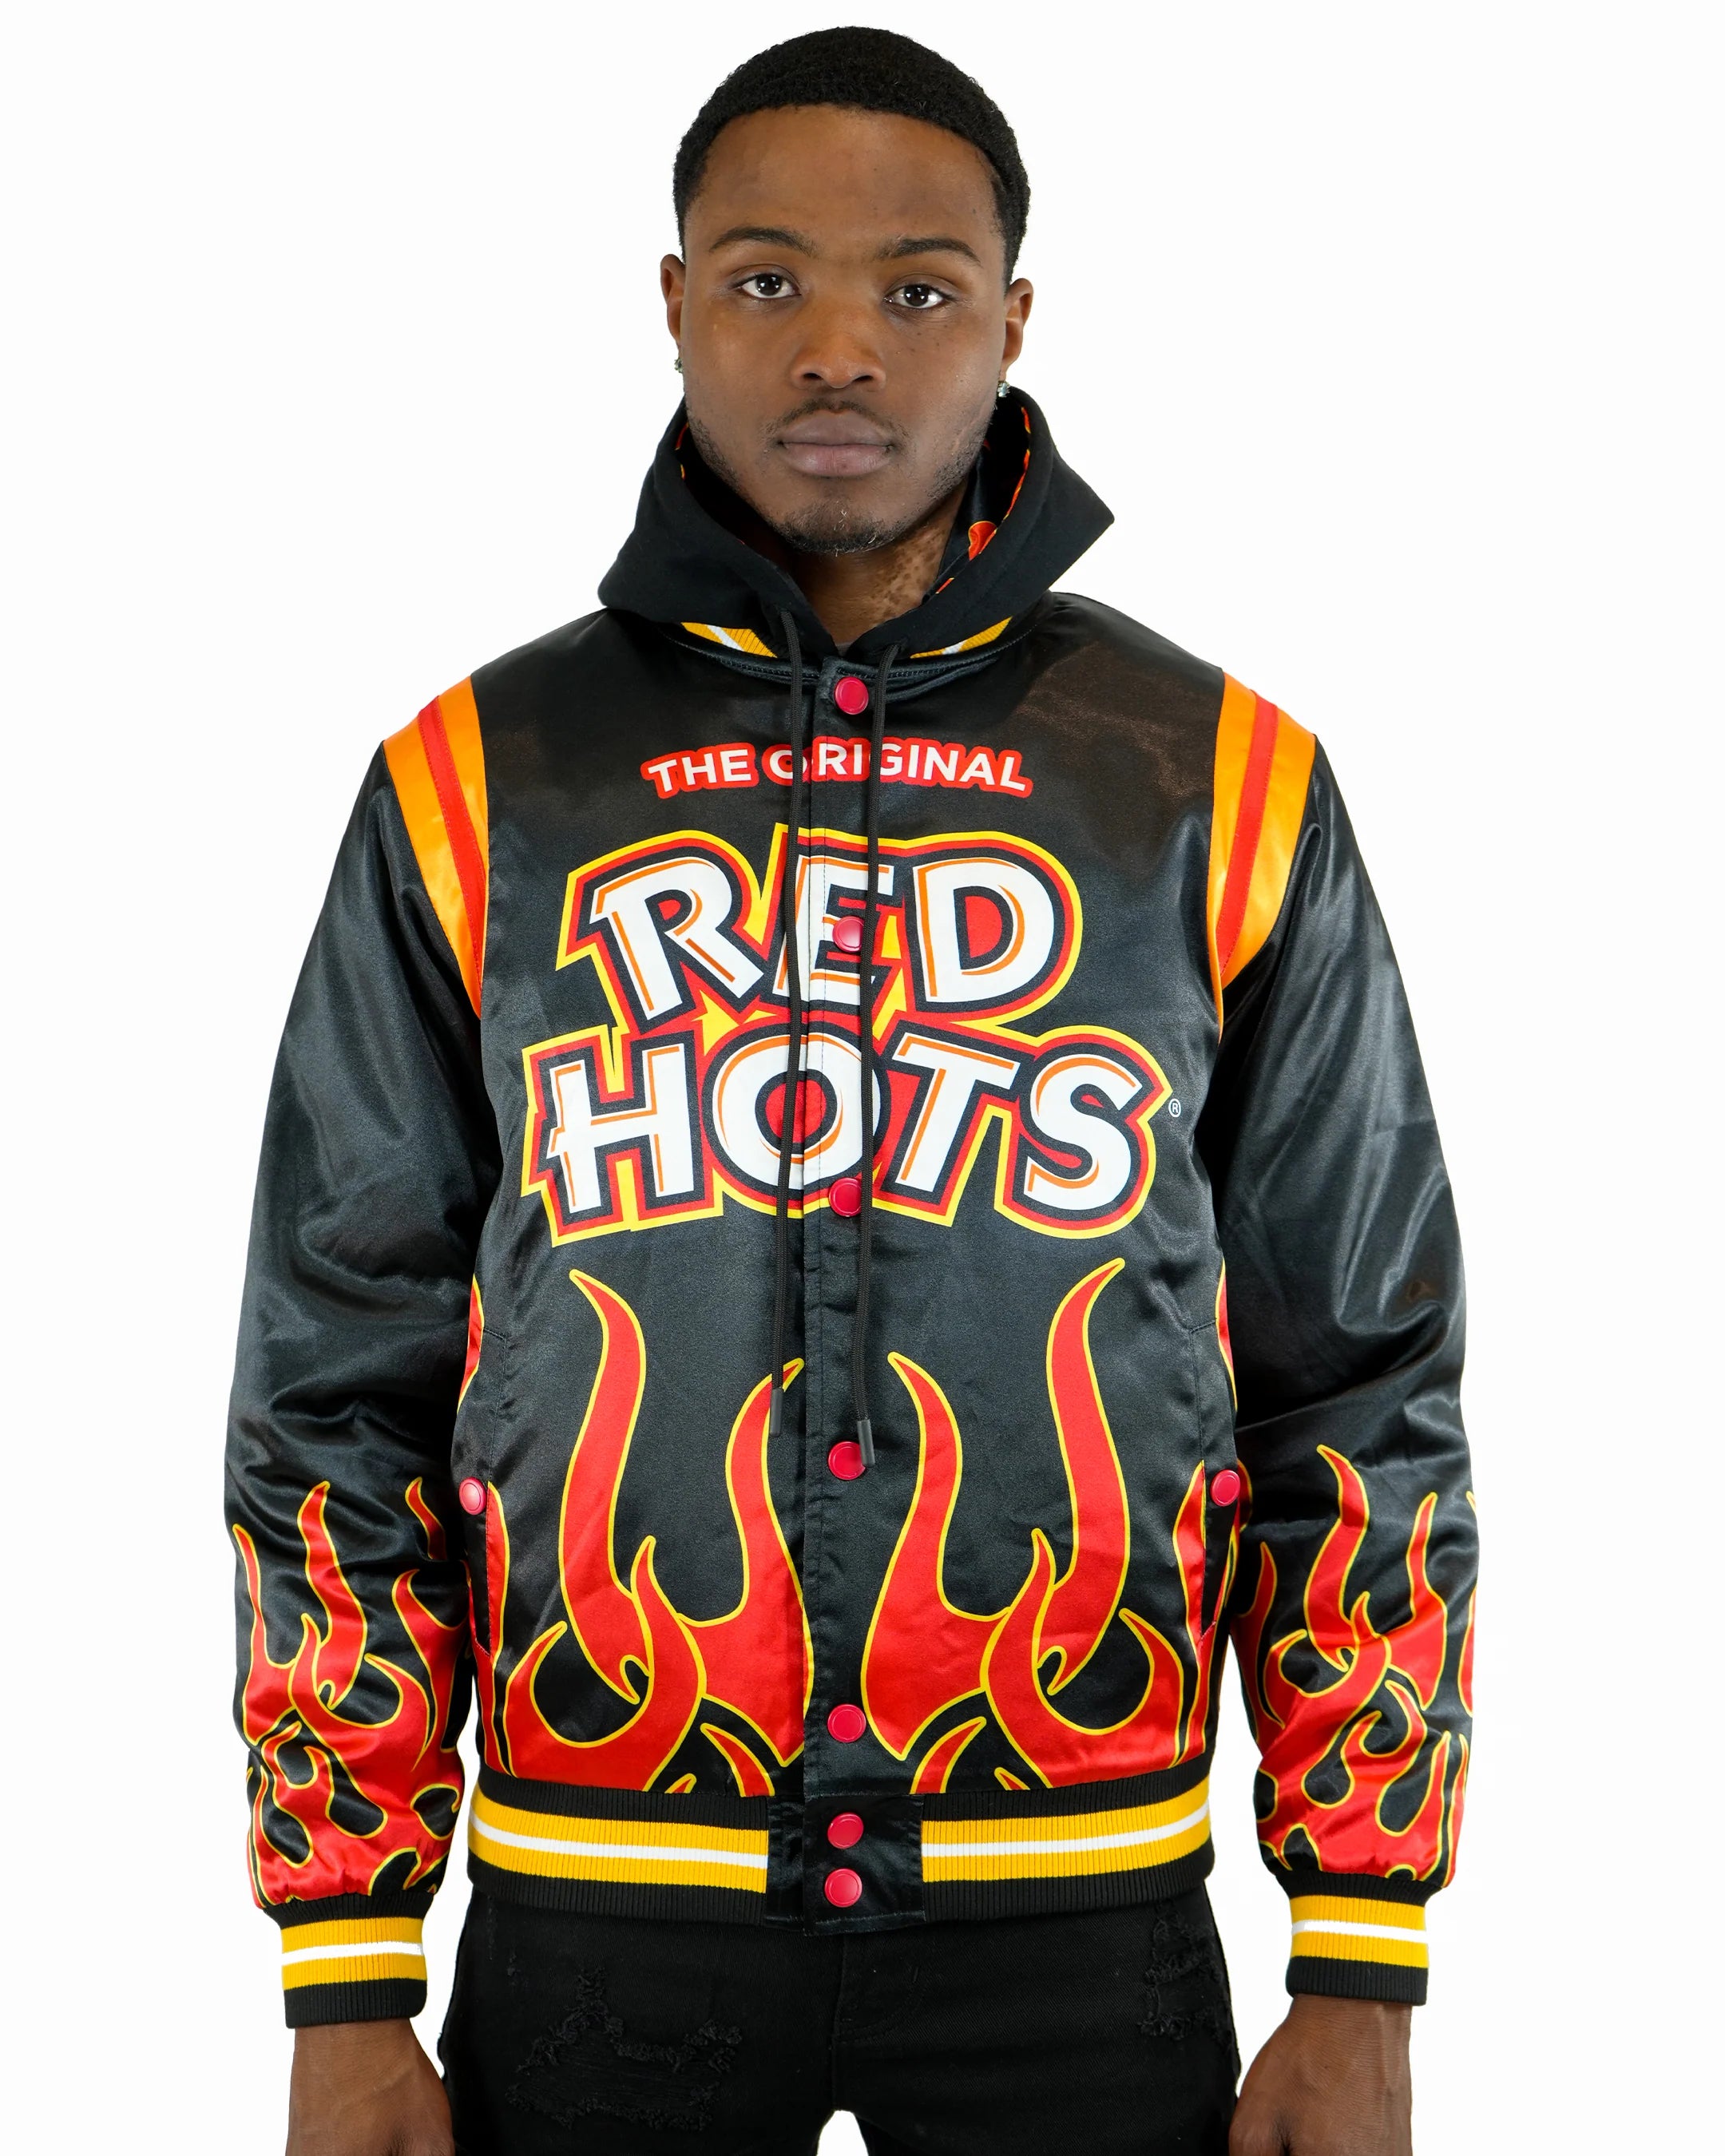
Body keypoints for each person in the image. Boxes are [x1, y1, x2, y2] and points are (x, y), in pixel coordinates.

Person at [228, 27, 1475, 2156]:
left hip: (1082, 1911)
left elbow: (1359, 1374)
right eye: (765, 277)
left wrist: (1362, 1952)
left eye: (917, 287)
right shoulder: (473, 783)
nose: (838, 349)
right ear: (672, 299)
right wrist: (343, 1969)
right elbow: (334, 1380)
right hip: (595, 1912)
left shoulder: (1222, 780)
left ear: (1016, 317)